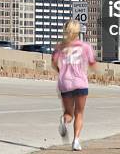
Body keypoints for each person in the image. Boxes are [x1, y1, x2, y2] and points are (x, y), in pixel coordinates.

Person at [52, 20, 97, 152]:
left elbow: (54, 63)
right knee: (79, 113)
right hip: (80, 82)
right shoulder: (85, 46)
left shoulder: (60, 47)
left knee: (68, 113)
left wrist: (62, 72)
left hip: (65, 82)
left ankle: (64, 121)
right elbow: (92, 63)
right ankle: (76, 141)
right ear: (78, 31)